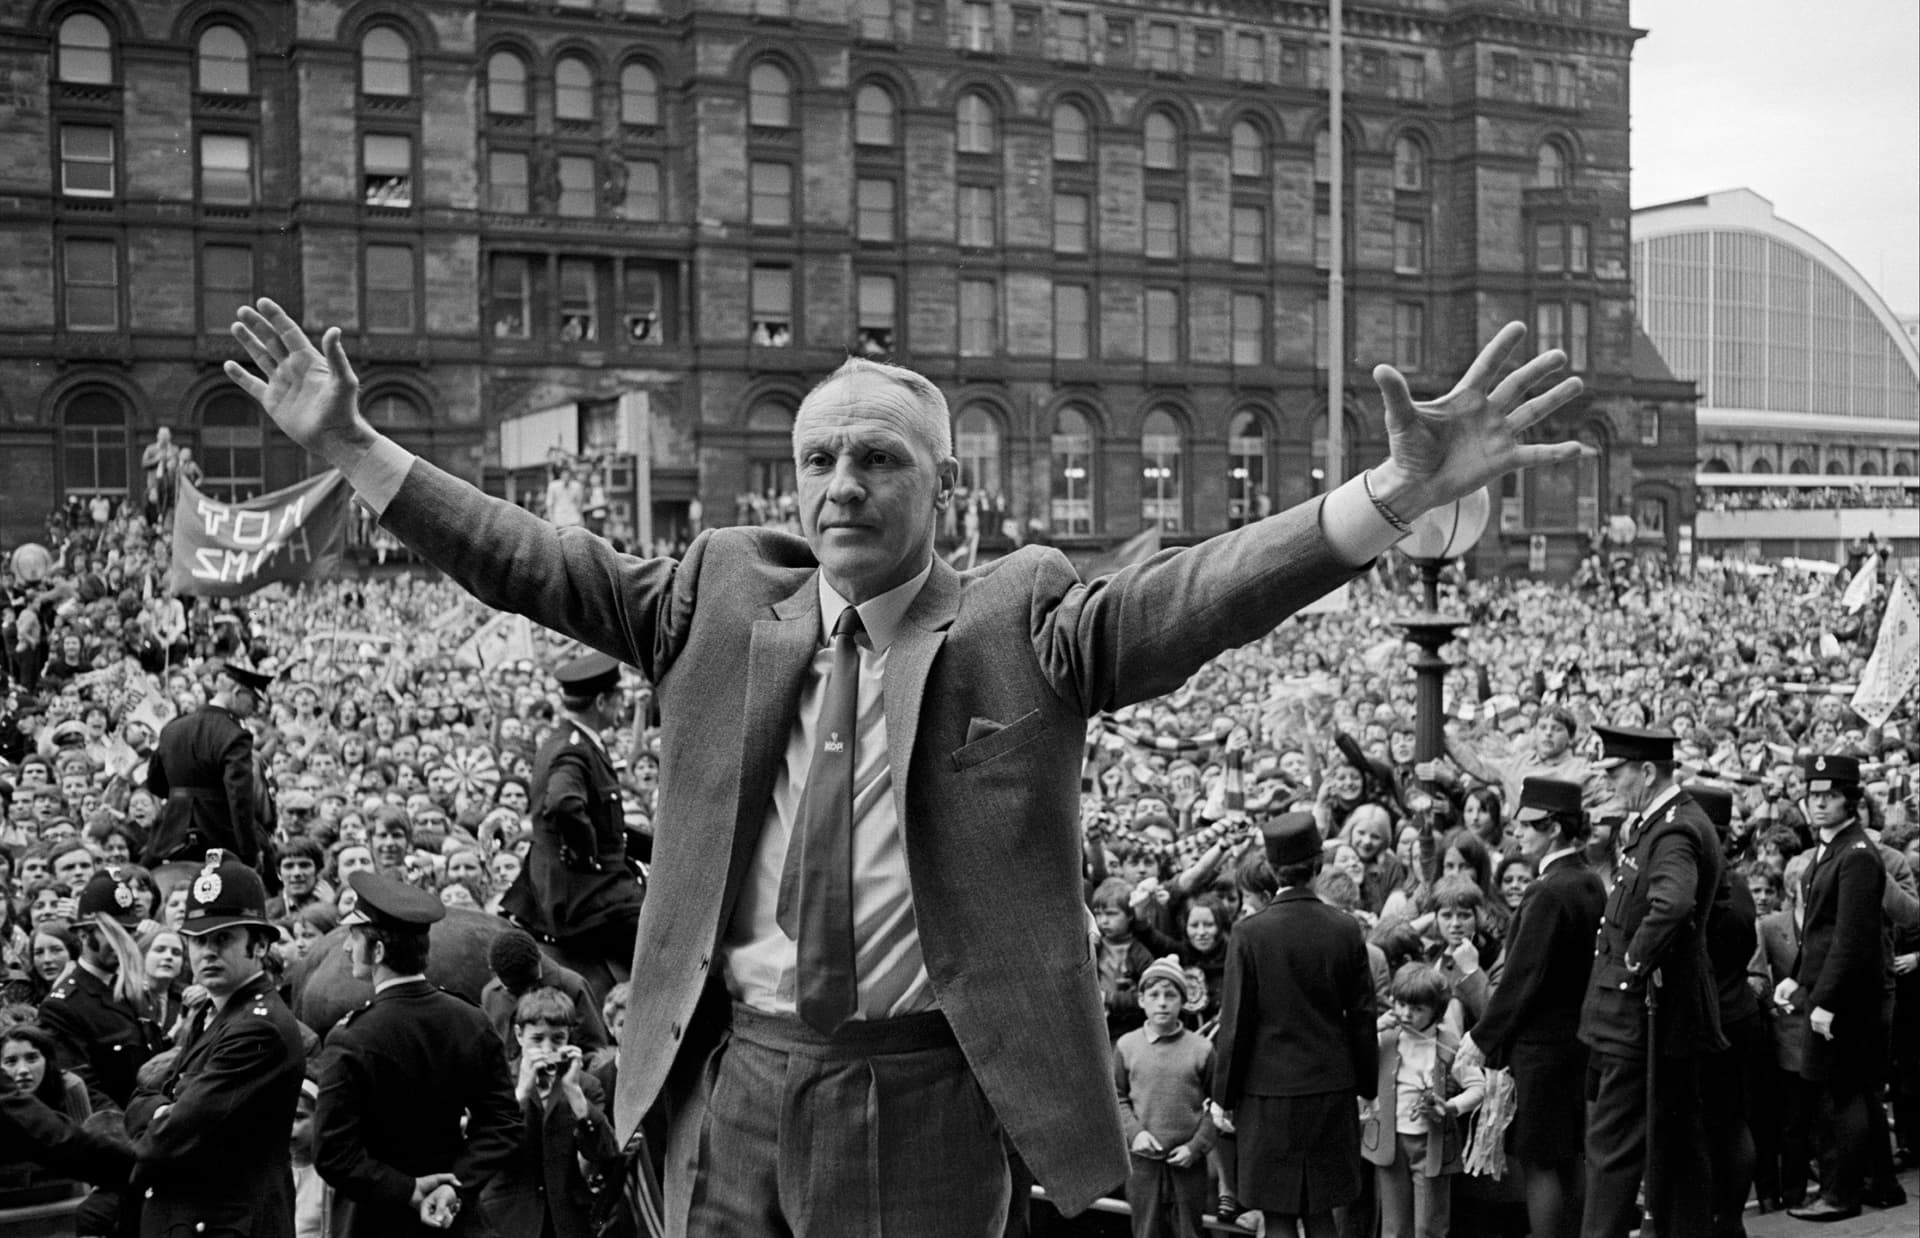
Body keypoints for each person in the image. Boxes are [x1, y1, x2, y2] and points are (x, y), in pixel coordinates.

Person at [226, 296, 1586, 1228]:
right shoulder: (712, 595)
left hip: (918, 1088)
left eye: (877, 459)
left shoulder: (1022, 617)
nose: (838, 486)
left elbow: (1194, 596)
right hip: (733, 1077)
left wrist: (1390, 498)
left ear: (944, 489)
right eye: (817, 457)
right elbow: (531, 558)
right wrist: (352, 445)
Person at [1577, 726, 1726, 1238]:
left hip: (1643, 1013)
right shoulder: (1666, 822)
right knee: (1678, 1143)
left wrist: (1636, 961)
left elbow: (1674, 903)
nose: (1610, 784)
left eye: (1616, 773)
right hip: (1665, 1012)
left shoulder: (1673, 829)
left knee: (1613, 1149)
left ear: (1646, 772)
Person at [312, 870, 521, 1236]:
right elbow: (503, 1122)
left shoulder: (352, 1036)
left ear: (377, 951)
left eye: (354, 937)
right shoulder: (470, 1019)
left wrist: (408, 1191)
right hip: (455, 1219)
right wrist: (454, 1182)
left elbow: (333, 1153)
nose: (346, 948)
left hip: (376, 1221)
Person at [125, 849, 306, 1238]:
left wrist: (161, 1113)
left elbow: (174, 1132)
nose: (207, 951)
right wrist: (162, 1109)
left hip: (226, 1222)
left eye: (223, 939)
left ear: (258, 946)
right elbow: (145, 1098)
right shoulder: (215, 1009)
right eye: (198, 940)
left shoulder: (258, 1028)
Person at [1214, 812, 1377, 1238]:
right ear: (1318, 864)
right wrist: (1367, 1088)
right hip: (1330, 1085)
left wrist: (1222, 1095)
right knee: (1320, 1210)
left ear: (1270, 868)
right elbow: (1362, 1016)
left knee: (1279, 1213)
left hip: (1268, 1092)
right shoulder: (1345, 929)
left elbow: (1236, 1023)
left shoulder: (1250, 933)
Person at [1458, 776, 1605, 1238]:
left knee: (1540, 1163)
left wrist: (1480, 1041)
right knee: (1570, 1157)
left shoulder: (1547, 891)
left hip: (1541, 1049)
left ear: (1555, 829)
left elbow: (1522, 980)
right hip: (1576, 1041)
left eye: (1529, 825)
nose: (1518, 834)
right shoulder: (1589, 882)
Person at [1773, 754, 1890, 1223]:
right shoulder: (1831, 848)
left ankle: (1841, 1194)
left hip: (1846, 998)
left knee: (1841, 1097)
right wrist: (1798, 978)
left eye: (1831, 796)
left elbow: (1851, 939)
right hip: (1828, 988)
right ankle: (1863, 1186)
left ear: (1851, 801)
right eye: (1812, 796)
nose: (1818, 804)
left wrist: (1825, 1001)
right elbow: (1818, 933)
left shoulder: (1857, 855)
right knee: (1843, 1094)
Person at [499, 653, 645, 982]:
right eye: (619, 697)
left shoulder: (569, 739)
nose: (622, 703)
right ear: (603, 702)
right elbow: (564, 803)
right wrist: (588, 856)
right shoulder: (574, 749)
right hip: (585, 896)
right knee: (669, 942)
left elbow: (608, 825)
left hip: (579, 885)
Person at [479, 986, 620, 1238]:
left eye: (557, 1039)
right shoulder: (496, 1080)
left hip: (566, 1222)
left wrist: (574, 1093)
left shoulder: (586, 1086)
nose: (547, 1048)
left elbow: (605, 1153)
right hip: (507, 1220)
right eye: (537, 1039)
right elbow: (485, 1151)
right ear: (519, 1035)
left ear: (568, 1038)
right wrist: (521, 1092)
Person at [1364, 962, 1486, 1238]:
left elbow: (1477, 1087)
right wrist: (1372, 1028)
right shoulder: (1385, 1037)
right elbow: (1349, 1054)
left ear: (1436, 1011)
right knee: (1394, 1226)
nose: (1406, 1014)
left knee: (1429, 1225)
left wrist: (1452, 1106)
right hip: (1390, 1142)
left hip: (1432, 1145)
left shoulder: (1449, 1043)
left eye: (1418, 1009)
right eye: (1401, 1004)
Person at [38, 868, 163, 1109]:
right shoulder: (62, 1006)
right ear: (84, 934)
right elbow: (84, 1092)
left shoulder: (132, 990)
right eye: (114, 935)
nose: (125, 944)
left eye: (129, 933)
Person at [1112, 955, 1216, 1238]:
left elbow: (1217, 1108)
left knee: (1189, 1232)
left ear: (1182, 1001)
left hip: (1187, 1166)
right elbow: (1117, 1098)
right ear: (1141, 1000)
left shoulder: (1201, 1049)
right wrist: (1135, 1134)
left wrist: (1196, 1148)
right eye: (1154, 995)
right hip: (1143, 1164)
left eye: (1170, 995)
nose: (1162, 1002)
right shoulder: (1127, 1046)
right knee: (1146, 1230)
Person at [143, 662, 272, 870]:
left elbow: (155, 783)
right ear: (237, 692)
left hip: (169, 832)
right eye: (253, 701)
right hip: (220, 834)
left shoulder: (172, 727)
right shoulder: (235, 735)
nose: (254, 710)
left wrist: (181, 796)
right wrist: (250, 853)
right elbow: (239, 797)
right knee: (269, 880)